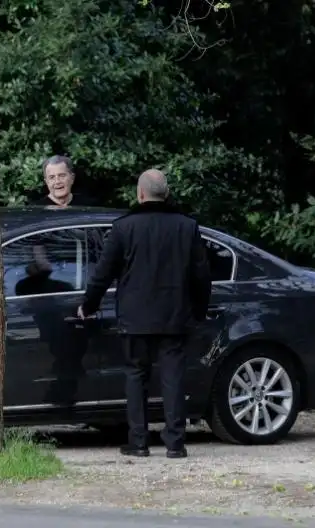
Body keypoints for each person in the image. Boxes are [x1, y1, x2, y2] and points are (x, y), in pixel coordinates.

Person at [78, 169, 211, 459]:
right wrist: (199, 312)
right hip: (175, 316)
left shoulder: (124, 227)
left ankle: (138, 442)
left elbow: (103, 274)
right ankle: (176, 444)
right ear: (167, 194)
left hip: (135, 317)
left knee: (136, 376)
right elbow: (202, 276)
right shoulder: (186, 227)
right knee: (173, 378)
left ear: (140, 194)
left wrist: (88, 305)